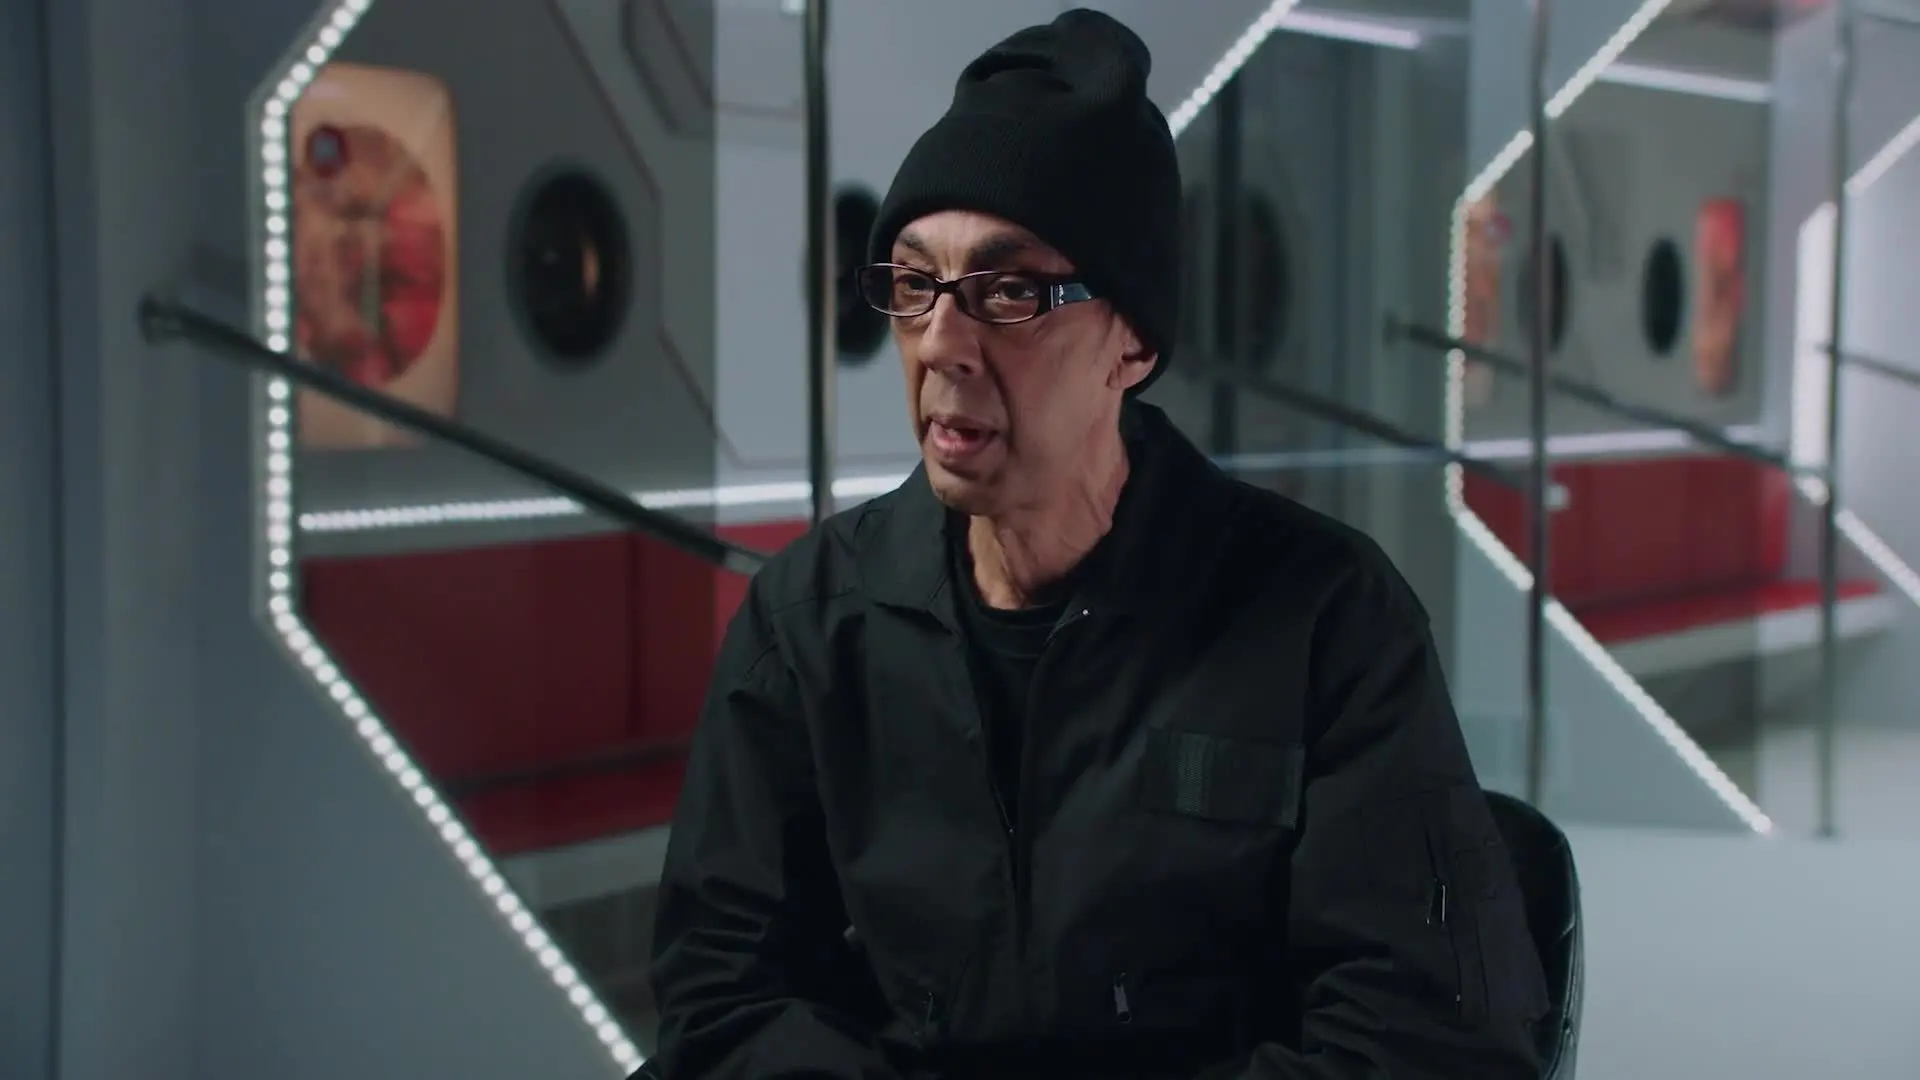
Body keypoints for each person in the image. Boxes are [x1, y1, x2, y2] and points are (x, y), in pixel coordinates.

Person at [648, 10, 1549, 1079]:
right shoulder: (808, 626)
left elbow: (1426, 1038)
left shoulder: (1327, 620)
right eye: (914, 284)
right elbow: (721, 997)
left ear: (1132, 341)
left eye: (1009, 292)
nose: (942, 343)